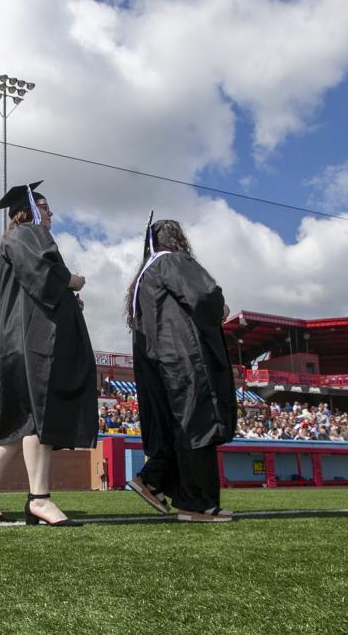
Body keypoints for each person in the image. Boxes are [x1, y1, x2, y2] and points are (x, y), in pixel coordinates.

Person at [0, 182, 98, 526]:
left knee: (24, 421)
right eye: (45, 206)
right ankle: (39, 499)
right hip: (27, 344)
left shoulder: (13, 240)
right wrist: (72, 281)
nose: (51, 213)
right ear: (28, 209)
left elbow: (32, 290)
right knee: (38, 414)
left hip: (14, 341)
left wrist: (68, 303)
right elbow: (44, 274)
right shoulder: (27, 233)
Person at [123, 222, 238, 522]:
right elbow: (204, 296)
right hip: (184, 358)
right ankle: (196, 503)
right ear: (176, 239)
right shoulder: (172, 261)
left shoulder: (143, 278)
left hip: (156, 364)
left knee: (177, 426)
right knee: (196, 422)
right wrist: (221, 310)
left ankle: (152, 480)